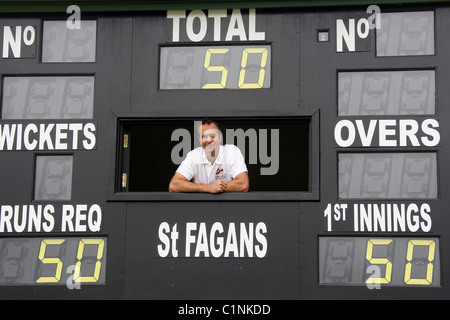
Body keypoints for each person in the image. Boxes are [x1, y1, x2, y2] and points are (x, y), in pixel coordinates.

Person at [169, 118, 249, 193]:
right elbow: (174, 185)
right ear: (199, 140)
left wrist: (210, 187)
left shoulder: (232, 151)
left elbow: (243, 184)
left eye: (212, 136)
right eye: (204, 136)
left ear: (220, 137)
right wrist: (208, 188)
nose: (209, 140)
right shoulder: (193, 155)